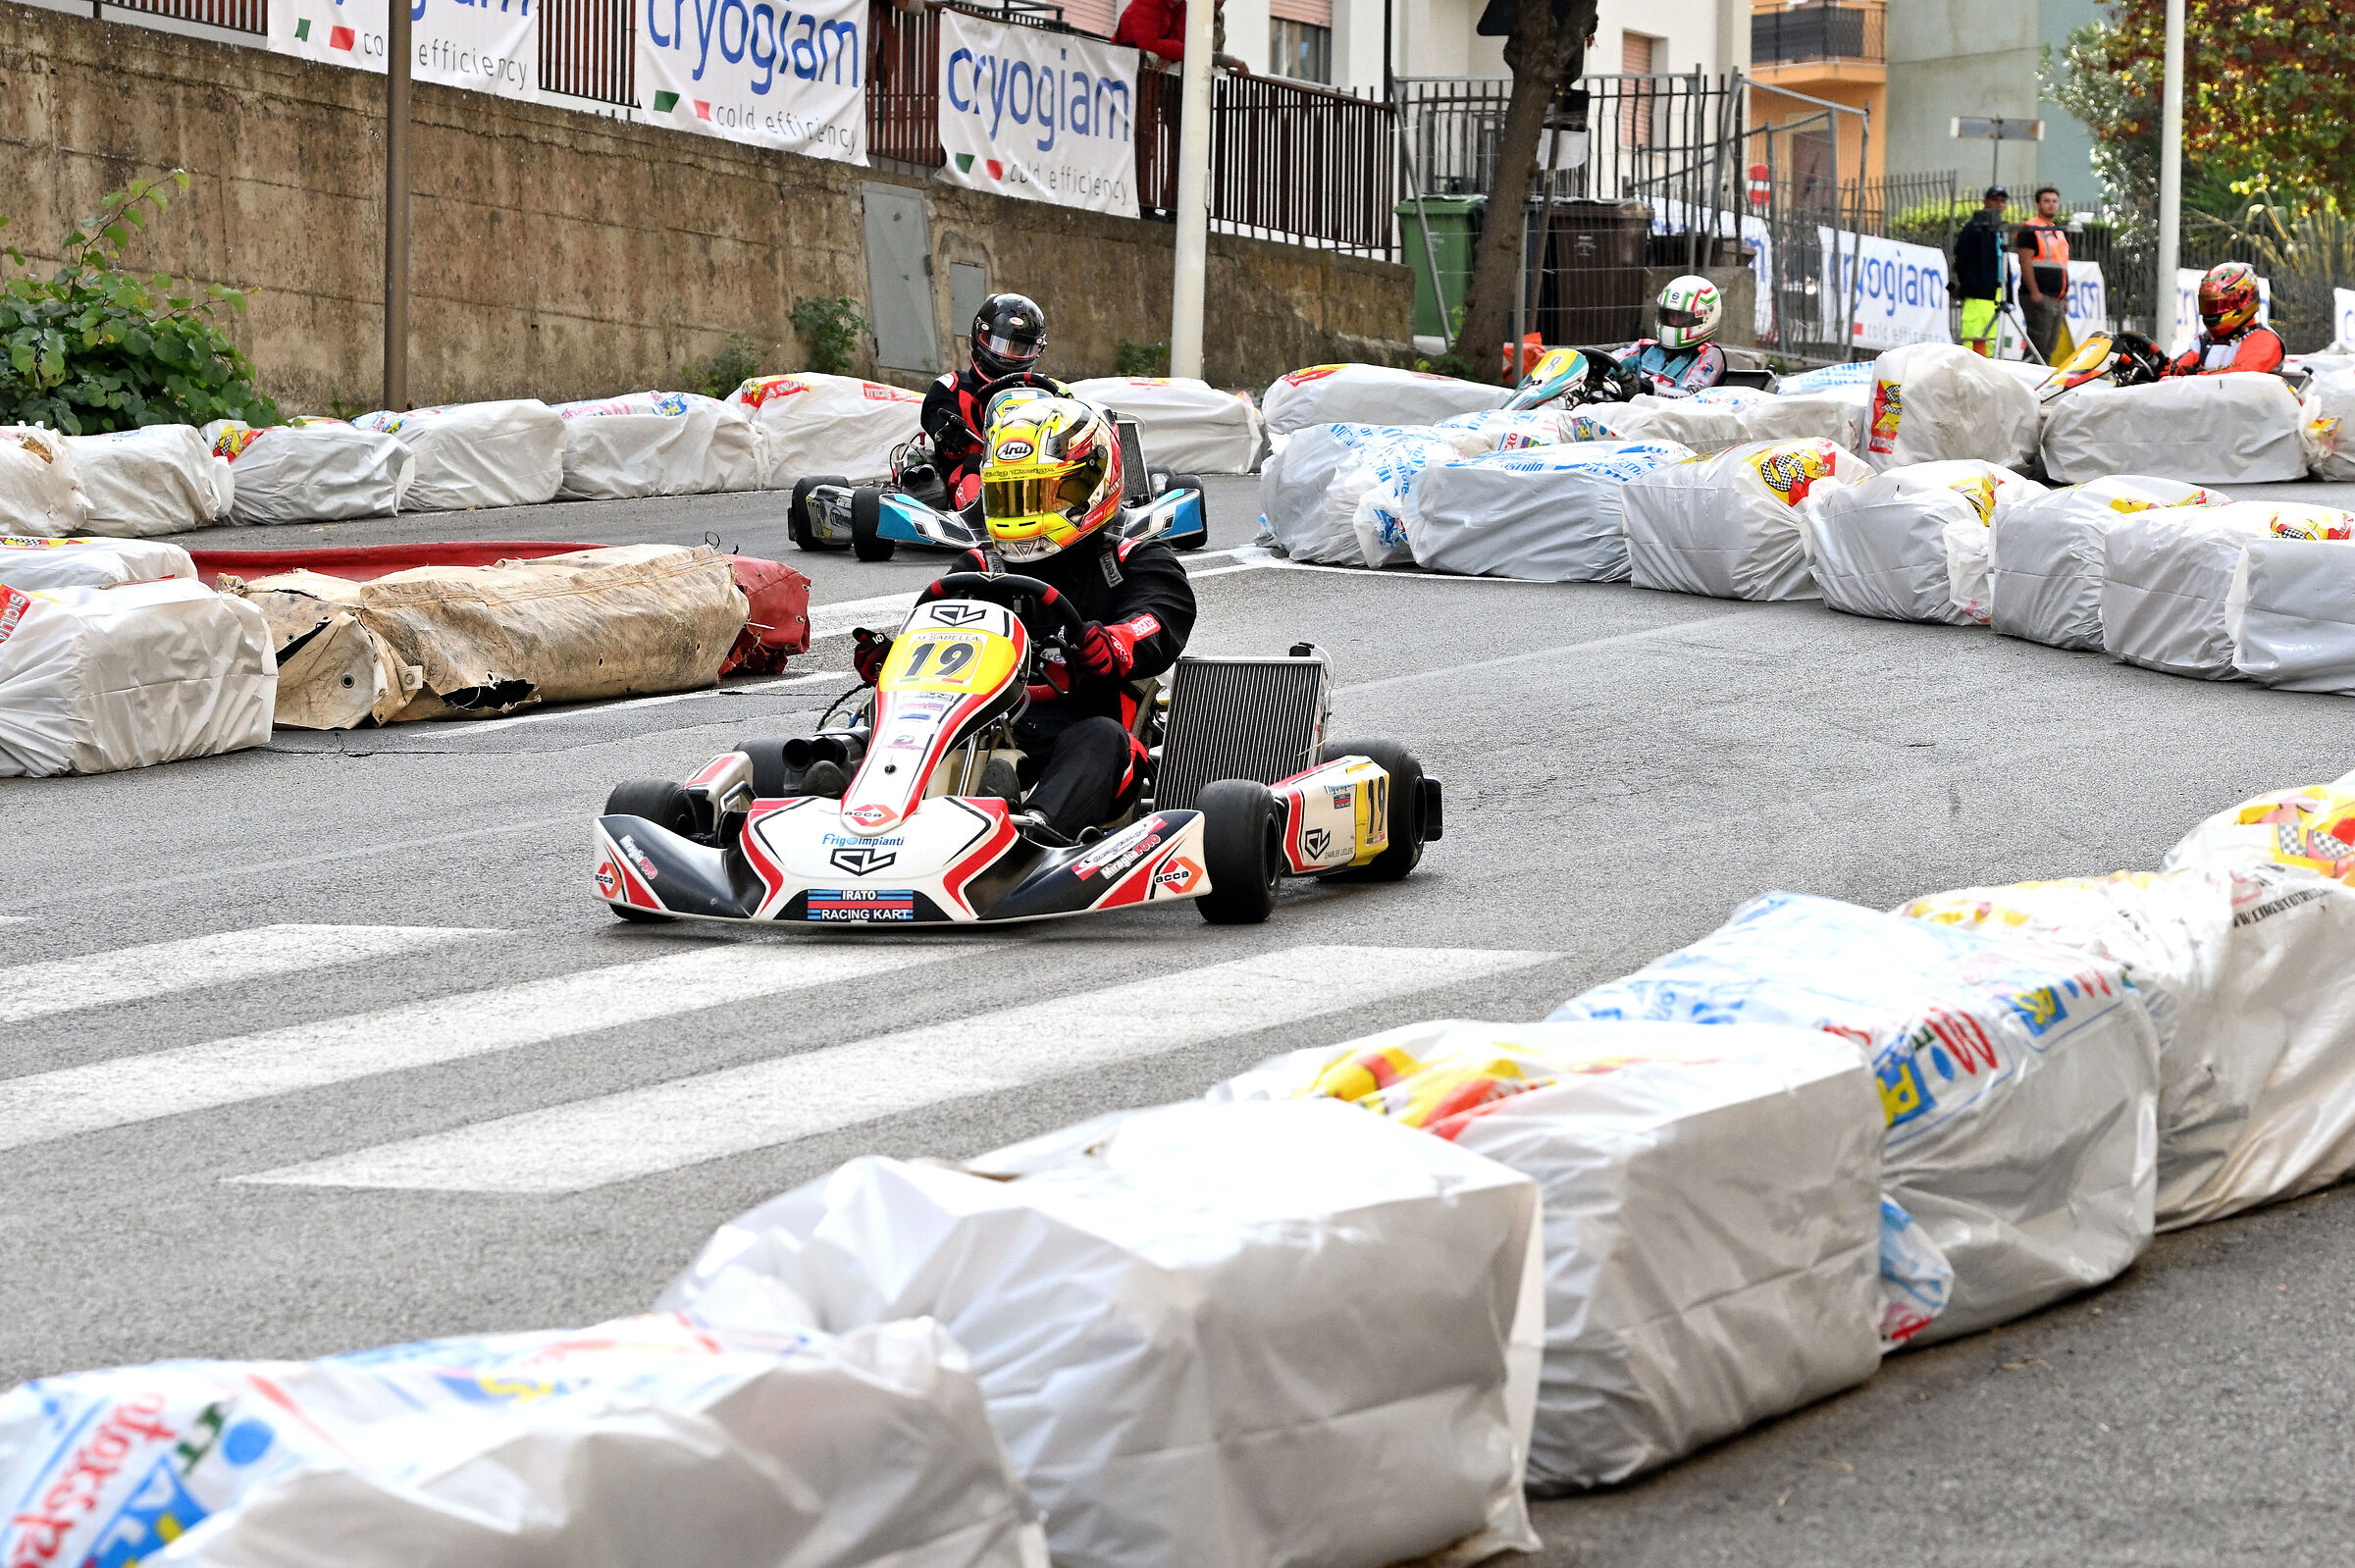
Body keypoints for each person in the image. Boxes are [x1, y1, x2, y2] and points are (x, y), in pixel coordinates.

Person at [856, 397, 1197, 842]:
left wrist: (1116, 642)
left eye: (1039, 494)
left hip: (1083, 730)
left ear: (1089, 486)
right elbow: (939, 629)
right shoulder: (980, 565)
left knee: (1102, 739)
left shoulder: (1134, 558)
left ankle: (1032, 834)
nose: (1021, 513)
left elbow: (1158, 618)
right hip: (977, 724)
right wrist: (898, 658)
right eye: (1009, 496)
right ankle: (846, 800)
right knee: (870, 721)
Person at [920, 293, 1069, 509]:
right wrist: (947, 432)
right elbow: (935, 417)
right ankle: (977, 514)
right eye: (1000, 344)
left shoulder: (1048, 389)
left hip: (1038, 470)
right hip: (974, 468)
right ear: (979, 336)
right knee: (973, 467)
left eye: (1018, 348)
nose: (1007, 355)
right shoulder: (951, 386)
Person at [2164, 260, 2285, 377]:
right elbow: (2177, 369)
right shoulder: (2205, 340)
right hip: (2208, 397)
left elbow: (2239, 376)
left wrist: (2193, 375)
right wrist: (2158, 366)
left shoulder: (2265, 340)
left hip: (2252, 398)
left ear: (2244, 300)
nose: (2213, 312)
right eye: (2209, 305)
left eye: (2221, 305)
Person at [1619, 276, 1726, 397]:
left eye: (1682, 317)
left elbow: (1690, 395)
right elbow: (1612, 361)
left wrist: (1645, 387)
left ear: (1705, 318)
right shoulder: (1644, 348)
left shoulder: (1709, 354)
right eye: (1671, 315)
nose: (1674, 322)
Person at [2013, 184, 2071, 364]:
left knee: (2048, 348)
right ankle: (2027, 382)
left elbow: (2061, 266)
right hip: (2040, 296)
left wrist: (2064, 297)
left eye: (2054, 201)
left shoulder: (2057, 232)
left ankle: (2039, 385)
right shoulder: (2030, 229)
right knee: (2038, 345)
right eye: (2047, 201)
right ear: (2038, 205)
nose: (2051, 205)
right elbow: (2025, 261)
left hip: (2056, 298)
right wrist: (2035, 292)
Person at [1112, 0, 1250, 75]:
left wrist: (1169, 55)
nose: (1221, 1)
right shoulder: (1151, 3)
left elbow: (1182, 41)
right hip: (1125, 67)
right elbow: (1148, 43)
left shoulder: (1184, 8)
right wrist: (1174, 53)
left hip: (1163, 74)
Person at [1954, 185, 2009, 356]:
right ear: (1985, 202)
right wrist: (1969, 282)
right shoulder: (1975, 227)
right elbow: (1961, 255)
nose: (1999, 205)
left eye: (2002, 201)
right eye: (1995, 200)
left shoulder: (1997, 229)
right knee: (1975, 340)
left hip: (1996, 292)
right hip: (1978, 293)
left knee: (1991, 342)